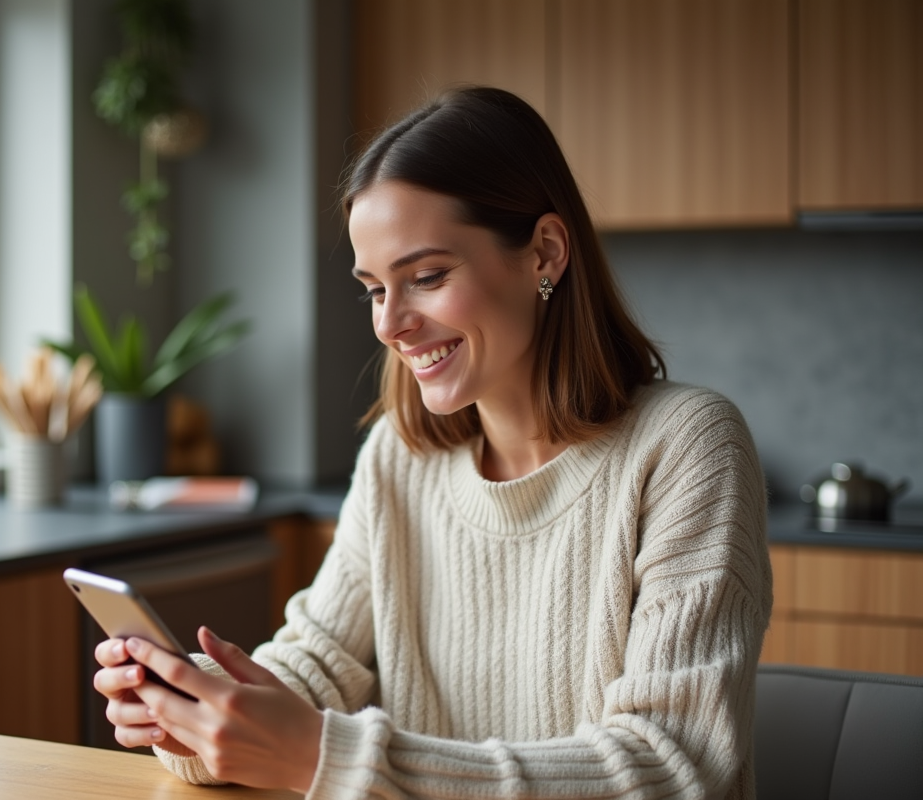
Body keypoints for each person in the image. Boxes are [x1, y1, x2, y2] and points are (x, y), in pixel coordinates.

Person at [93, 86, 773, 799]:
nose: (390, 325)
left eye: (425, 277)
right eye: (374, 290)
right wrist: (197, 716)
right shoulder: (399, 458)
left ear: (544, 252)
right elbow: (317, 664)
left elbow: (673, 766)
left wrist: (327, 758)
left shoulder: (688, 447)